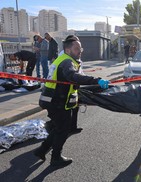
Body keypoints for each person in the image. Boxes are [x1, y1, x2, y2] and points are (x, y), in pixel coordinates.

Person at [34, 35, 110, 167]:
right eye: (77, 49)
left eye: (81, 49)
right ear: (68, 50)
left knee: (59, 127)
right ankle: (56, 158)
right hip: (57, 101)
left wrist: (94, 82)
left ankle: (42, 150)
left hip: (53, 99)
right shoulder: (67, 62)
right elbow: (74, 76)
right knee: (63, 129)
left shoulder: (64, 59)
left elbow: (77, 77)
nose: (80, 51)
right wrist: (97, 80)